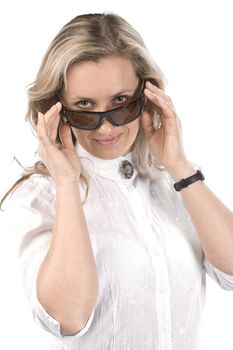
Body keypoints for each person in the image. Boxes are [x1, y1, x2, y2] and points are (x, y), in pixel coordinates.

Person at [1, 12, 233, 350]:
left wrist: (179, 166)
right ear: (58, 109)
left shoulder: (175, 180)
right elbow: (69, 318)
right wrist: (66, 183)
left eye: (122, 102)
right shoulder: (40, 197)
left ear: (147, 95)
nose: (106, 127)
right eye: (84, 107)